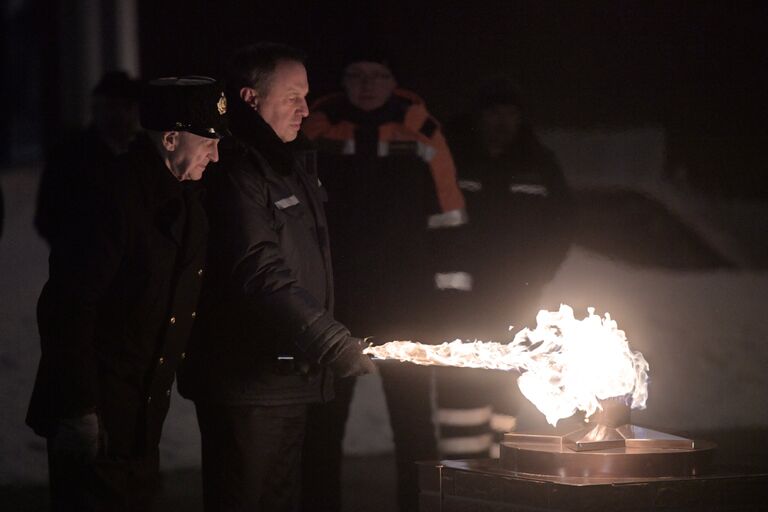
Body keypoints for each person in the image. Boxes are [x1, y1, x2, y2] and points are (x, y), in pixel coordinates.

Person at [177, 42, 375, 512]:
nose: (306, 109)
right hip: (247, 380)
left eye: (306, 96)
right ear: (249, 98)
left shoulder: (287, 164)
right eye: (292, 97)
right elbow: (258, 268)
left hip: (283, 376)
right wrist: (326, 339)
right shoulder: (236, 169)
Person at [26, 76, 226, 511]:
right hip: (98, 410)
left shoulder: (183, 199)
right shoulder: (111, 194)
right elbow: (67, 305)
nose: (215, 153)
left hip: (138, 413)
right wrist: (79, 407)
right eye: (208, 140)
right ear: (171, 139)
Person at [302, 53, 466, 512]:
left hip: (408, 302)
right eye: (356, 75)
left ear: (395, 82)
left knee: (413, 421)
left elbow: (449, 216)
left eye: (379, 76)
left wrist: (447, 299)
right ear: (341, 81)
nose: (368, 85)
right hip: (336, 301)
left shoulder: (423, 132)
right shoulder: (315, 131)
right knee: (323, 422)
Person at [434, 79, 576, 458]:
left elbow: (562, 223)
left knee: (507, 381)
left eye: (510, 113)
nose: (502, 121)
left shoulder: (538, 163)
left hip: (516, 296)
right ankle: (461, 467)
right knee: (462, 379)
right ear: (478, 116)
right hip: (458, 297)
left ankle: (496, 462)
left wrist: (538, 273)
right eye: (493, 112)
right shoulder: (452, 158)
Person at [35, 71, 142, 248]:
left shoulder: (141, 152)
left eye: (127, 107)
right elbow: (48, 216)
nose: (121, 114)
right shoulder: (71, 156)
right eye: (112, 106)